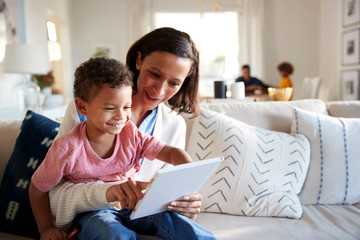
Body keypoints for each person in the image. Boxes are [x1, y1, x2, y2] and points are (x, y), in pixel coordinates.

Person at [45, 27, 215, 239]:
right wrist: (106, 193)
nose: (159, 91)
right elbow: (54, 192)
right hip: (96, 215)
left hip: (141, 214)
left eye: (173, 83)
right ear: (138, 61)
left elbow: (162, 194)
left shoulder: (174, 125)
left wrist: (185, 202)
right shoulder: (89, 107)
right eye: (154, 74)